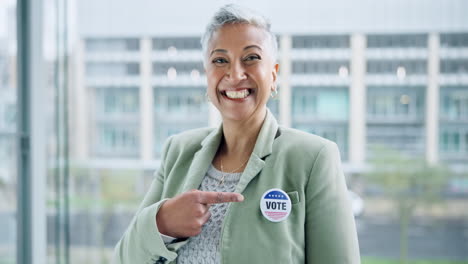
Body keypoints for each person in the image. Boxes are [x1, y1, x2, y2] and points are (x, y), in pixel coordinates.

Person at [113, 4, 360, 264]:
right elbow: (123, 259)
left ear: (273, 75)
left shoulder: (313, 158)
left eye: (251, 58)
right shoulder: (178, 151)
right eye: (220, 60)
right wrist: (162, 223)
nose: (235, 74)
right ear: (208, 75)